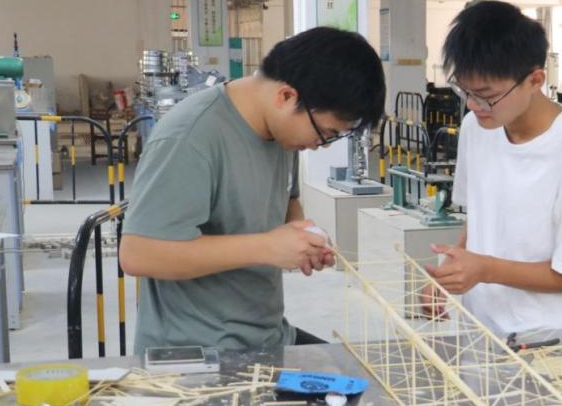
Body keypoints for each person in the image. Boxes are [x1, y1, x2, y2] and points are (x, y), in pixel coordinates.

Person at [120, 27, 385, 354]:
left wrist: (302, 237)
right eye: (325, 133)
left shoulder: (283, 133)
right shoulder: (190, 137)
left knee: (354, 370)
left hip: (266, 337)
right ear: (286, 96)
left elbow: (288, 201)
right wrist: (267, 247)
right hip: (196, 354)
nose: (321, 145)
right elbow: (139, 253)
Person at [424, 0, 562, 334]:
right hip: (476, 327)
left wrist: (484, 269)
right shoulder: (477, 128)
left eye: (486, 95)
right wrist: (448, 275)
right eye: (465, 91)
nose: (473, 105)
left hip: (539, 340)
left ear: (535, 79)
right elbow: (480, 216)